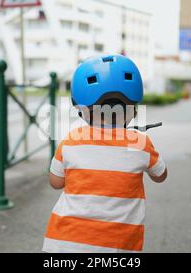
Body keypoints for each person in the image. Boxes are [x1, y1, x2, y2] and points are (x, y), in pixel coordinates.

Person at [42, 54, 168, 253]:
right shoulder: (140, 143)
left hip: (65, 243)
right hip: (118, 244)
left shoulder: (70, 141)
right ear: (134, 107)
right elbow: (160, 175)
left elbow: (55, 183)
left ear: (80, 108)